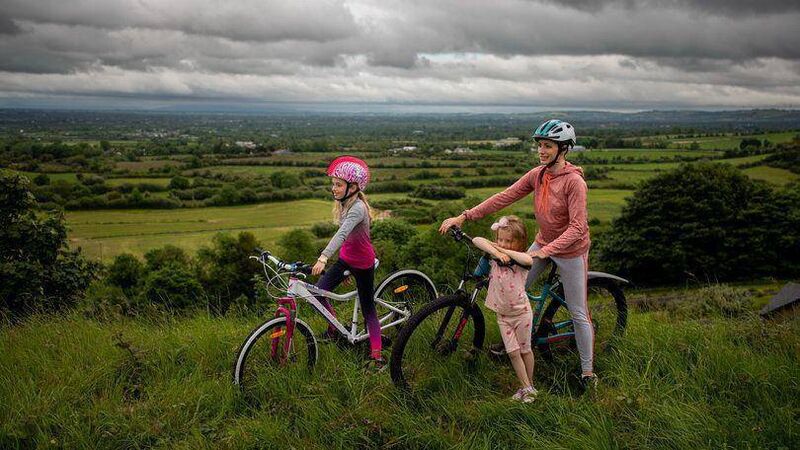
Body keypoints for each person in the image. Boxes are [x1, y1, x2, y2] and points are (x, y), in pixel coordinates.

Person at [439, 119, 598, 388]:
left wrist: (542, 253)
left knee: (578, 311)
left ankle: (588, 373)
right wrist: (464, 216)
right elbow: (505, 196)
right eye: (540, 145)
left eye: (548, 146)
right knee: (515, 290)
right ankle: (518, 341)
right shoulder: (538, 175)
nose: (542, 151)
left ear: (564, 149)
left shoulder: (574, 183)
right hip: (543, 243)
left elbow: (577, 227)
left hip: (571, 251)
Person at [311, 156, 383, 370]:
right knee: (318, 293)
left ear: (352, 187)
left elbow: (342, 234)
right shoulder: (343, 204)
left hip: (362, 264)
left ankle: (377, 355)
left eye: (338, 184)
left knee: (368, 308)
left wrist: (323, 257)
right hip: (346, 260)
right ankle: (335, 328)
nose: (333, 188)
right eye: (333, 184)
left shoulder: (358, 208)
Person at [472, 215, 537, 402]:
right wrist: (497, 251)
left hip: (521, 313)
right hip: (502, 315)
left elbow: (529, 260)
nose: (504, 243)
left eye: (508, 241)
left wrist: (499, 249)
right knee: (512, 353)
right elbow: (477, 240)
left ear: (520, 241)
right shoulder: (496, 256)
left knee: (525, 350)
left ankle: (529, 386)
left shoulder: (521, 261)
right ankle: (526, 387)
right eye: (500, 239)